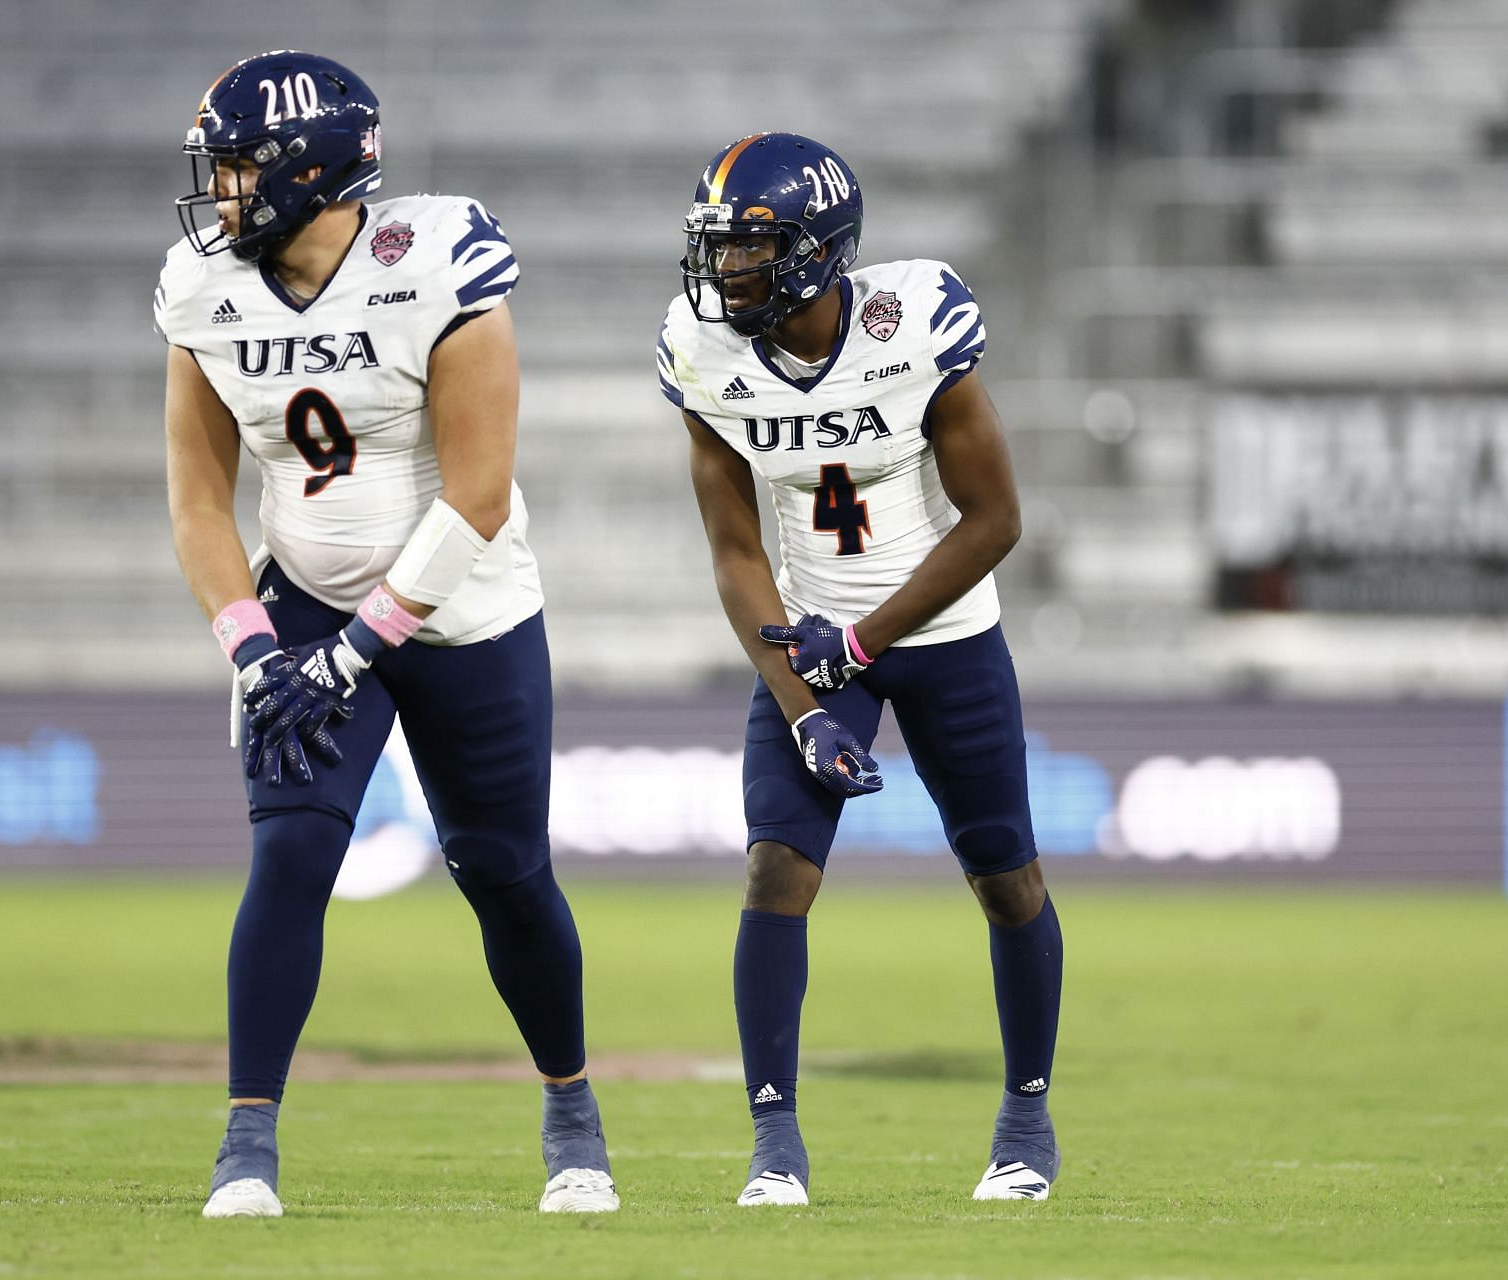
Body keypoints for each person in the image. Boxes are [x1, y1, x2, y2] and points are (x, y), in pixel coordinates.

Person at [155, 50, 615, 1219]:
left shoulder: (436, 263)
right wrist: (256, 649)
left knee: (504, 873)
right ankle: (246, 1141)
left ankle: (572, 1109)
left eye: (240, 170)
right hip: (304, 597)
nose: (220, 196)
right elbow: (200, 501)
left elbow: (478, 494)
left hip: (462, 605)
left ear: (311, 171)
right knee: (294, 853)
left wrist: (355, 654)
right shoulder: (202, 289)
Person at [657, 132, 1065, 1206]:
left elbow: (996, 520)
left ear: (818, 252)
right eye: (720, 248)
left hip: (940, 628)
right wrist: (803, 703)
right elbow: (738, 555)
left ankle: (1026, 1115)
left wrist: (867, 639)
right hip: (814, 639)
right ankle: (774, 1140)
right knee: (774, 868)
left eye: (750, 249)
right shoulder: (710, 356)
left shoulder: (915, 325)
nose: (727, 271)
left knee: (1005, 875)